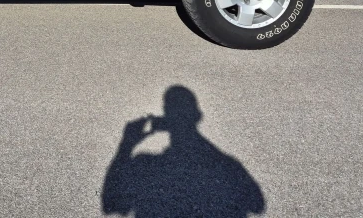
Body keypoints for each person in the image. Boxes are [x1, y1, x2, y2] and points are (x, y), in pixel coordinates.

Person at [102, 86, 265, 218]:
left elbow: (111, 204)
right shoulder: (229, 166)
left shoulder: (144, 164)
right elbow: (257, 205)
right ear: (197, 116)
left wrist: (126, 145)